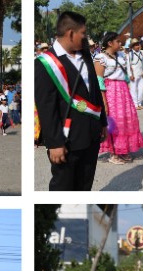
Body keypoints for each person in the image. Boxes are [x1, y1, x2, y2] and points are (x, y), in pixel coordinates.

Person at [35, 11, 107, 190]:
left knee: (85, 186)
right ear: (70, 33)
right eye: (83, 33)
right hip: (67, 140)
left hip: (91, 134)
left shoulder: (85, 55)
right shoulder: (45, 64)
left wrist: (103, 122)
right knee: (63, 187)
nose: (85, 37)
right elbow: (46, 106)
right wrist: (54, 143)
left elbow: (95, 91)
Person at [96, 31, 143, 164]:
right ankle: (113, 153)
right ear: (110, 43)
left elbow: (124, 74)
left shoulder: (121, 55)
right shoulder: (101, 57)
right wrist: (104, 102)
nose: (120, 43)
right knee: (114, 122)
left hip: (123, 90)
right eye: (117, 41)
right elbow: (99, 80)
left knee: (126, 120)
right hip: (110, 92)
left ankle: (123, 150)